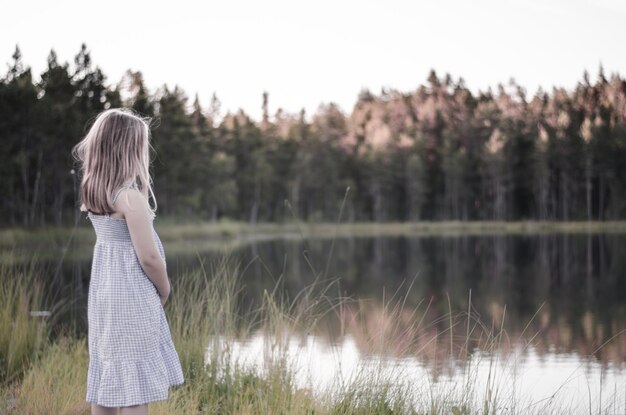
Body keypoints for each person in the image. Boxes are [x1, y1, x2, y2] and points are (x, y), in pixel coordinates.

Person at [72, 108, 184, 415]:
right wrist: (164, 289)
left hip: (105, 297)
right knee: (135, 387)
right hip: (133, 296)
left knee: (109, 380)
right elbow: (148, 257)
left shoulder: (94, 191)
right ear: (128, 150)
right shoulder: (130, 197)